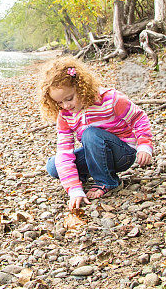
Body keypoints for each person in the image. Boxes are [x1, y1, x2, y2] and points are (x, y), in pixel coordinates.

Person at [37, 56, 153, 210]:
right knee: (53, 165)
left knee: (90, 134)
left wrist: (144, 145)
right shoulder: (65, 115)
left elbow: (138, 118)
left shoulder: (110, 99)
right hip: (96, 152)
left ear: (80, 87)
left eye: (69, 98)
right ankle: (85, 175)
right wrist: (74, 189)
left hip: (123, 153)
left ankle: (106, 181)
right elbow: (64, 151)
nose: (65, 105)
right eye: (59, 102)